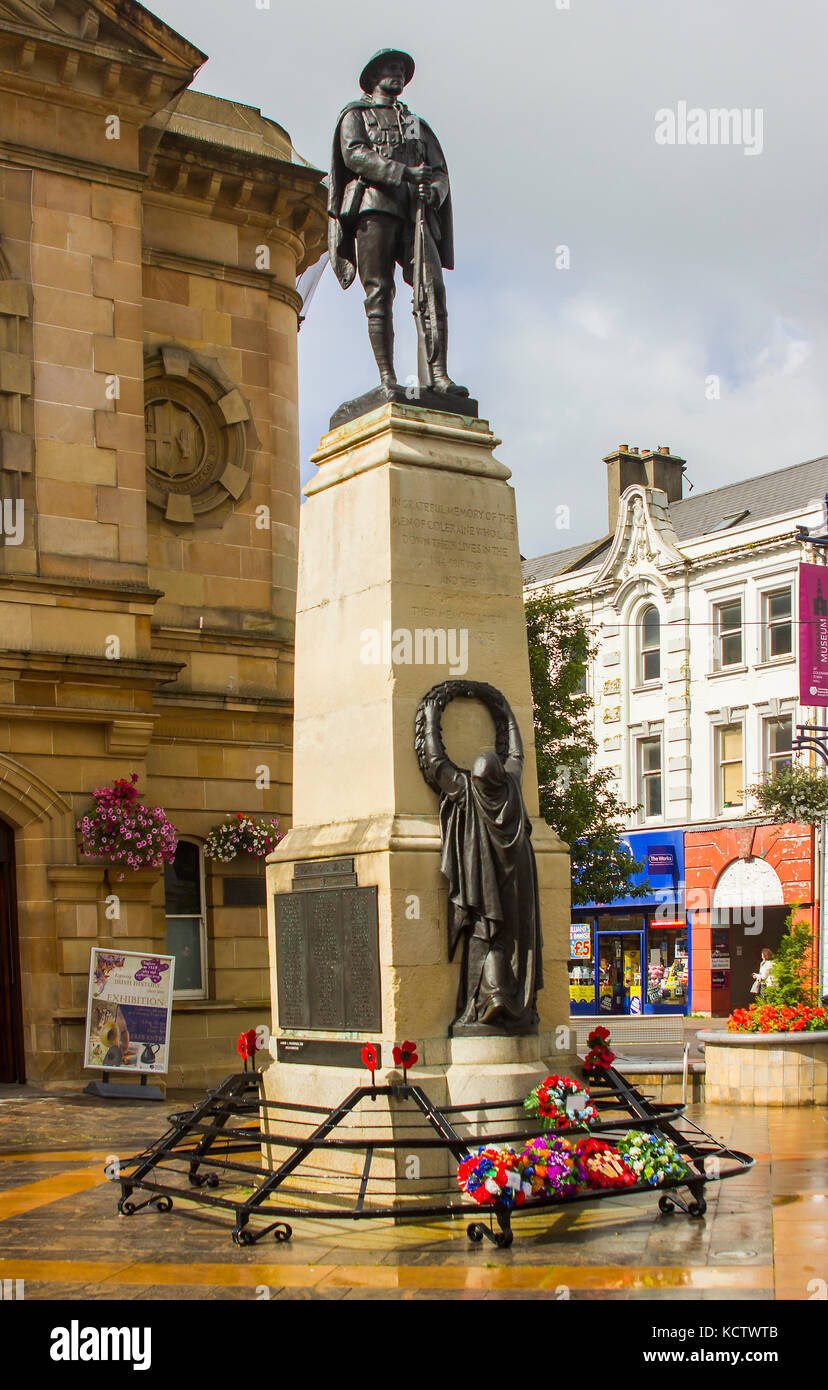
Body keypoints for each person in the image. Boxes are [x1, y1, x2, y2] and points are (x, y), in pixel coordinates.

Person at [328, 48, 468, 397]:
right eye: (391, 67)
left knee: (431, 289)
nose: (398, 73)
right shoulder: (355, 115)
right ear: (374, 76)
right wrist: (403, 172)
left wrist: (434, 192)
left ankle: (438, 375)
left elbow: (439, 171)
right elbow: (354, 154)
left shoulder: (417, 125)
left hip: (414, 212)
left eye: (403, 69)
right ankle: (388, 378)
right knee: (379, 292)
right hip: (374, 206)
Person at [417, 687, 542, 1034]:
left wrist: (431, 715)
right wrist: (501, 706)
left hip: (486, 893)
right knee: (510, 938)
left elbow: (435, 761)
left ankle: (491, 998)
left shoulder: (467, 790)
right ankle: (507, 998)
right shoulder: (512, 787)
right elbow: (516, 753)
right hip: (519, 887)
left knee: (486, 936)